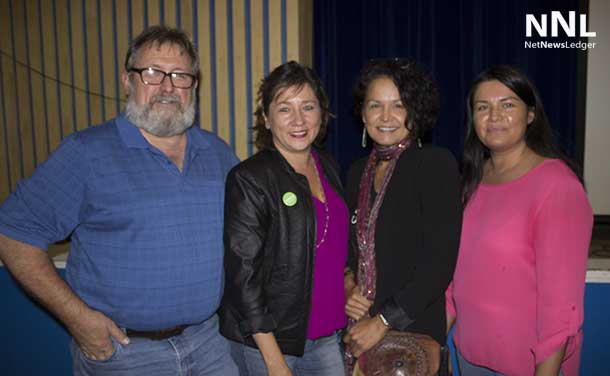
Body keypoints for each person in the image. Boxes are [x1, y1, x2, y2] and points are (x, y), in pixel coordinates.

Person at [0, 25, 239, 375]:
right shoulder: (86, 153)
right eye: (153, 73)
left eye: (180, 75)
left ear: (194, 86)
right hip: (125, 354)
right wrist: (80, 320)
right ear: (128, 81)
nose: (167, 87)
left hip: (211, 345)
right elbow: (13, 233)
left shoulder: (218, 153)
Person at [446, 66, 593, 376]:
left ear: (530, 115)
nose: (494, 116)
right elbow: (455, 276)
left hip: (530, 365)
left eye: (507, 104)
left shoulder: (557, 186)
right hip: (471, 357)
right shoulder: (470, 181)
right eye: (482, 107)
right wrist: (433, 343)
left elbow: (561, 307)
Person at [219, 61, 348, 375]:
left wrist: (351, 281)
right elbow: (243, 277)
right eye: (284, 109)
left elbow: (334, 246)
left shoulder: (328, 165)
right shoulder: (250, 178)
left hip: (327, 335)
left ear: (322, 113)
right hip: (272, 342)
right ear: (266, 118)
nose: (299, 120)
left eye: (308, 107)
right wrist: (273, 360)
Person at [343, 58, 462, 374]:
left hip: (411, 333)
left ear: (415, 111)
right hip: (356, 331)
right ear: (363, 113)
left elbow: (439, 262)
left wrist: (382, 322)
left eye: (398, 105)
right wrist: (348, 285)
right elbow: (347, 250)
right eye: (375, 105)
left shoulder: (435, 164)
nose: (385, 117)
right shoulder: (356, 173)